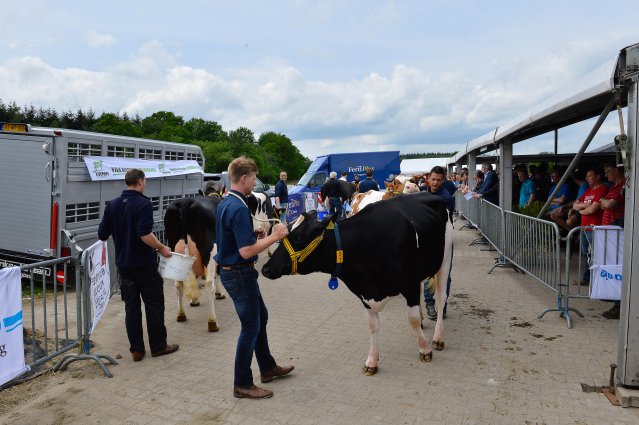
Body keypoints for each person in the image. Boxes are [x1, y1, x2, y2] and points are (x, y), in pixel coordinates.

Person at [214, 156, 293, 399]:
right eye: (255, 178)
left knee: (261, 318)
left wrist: (254, 233)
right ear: (245, 178)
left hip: (236, 271)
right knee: (250, 327)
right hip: (239, 272)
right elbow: (246, 251)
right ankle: (242, 383)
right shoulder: (238, 207)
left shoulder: (227, 202)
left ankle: (267, 367)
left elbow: (234, 239)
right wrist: (275, 236)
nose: (256, 182)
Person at [98, 169, 179, 362]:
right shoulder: (143, 204)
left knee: (131, 308)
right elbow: (144, 234)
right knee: (154, 305)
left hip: (124, 265)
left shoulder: (112, 205)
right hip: (144, 265)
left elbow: (102, 234)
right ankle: (158, 346)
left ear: (127, 182)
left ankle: (136, 350)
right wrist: (161, 248)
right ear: (141, 182)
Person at [423, 166, 454, 320]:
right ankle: (429, 303)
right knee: (428, 273)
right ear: (428, 178)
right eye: (433, 179)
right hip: (427, 241)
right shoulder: (423, 192)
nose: (435, 183)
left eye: (438, 180)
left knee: (444, 275)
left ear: (443, 180)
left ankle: (443, 305)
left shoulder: (445, 198)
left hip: (444, 241)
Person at [573, 167, 608, 287]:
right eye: (587, 176)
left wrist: (582, 209)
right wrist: (585, 205)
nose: (587, 178)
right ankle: (587, 278)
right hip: (584, 227)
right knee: (585, 254)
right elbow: (574, 205)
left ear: (598, 176)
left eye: (590, 176)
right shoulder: (588, 190)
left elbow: (592, 210)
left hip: (595, 228)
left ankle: (597, 279)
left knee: (595, 254)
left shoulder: (603, 189)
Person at [600, 164, 626, 319]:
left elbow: (609, 205)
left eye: (607, 171)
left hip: (618, 232)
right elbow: (604, 206)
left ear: (616, 170)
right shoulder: (612, 187)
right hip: (609, 231)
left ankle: (619, 304)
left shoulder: (624, 185)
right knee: (611, 266)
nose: (606, 175)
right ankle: (612, 295)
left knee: (617, 268)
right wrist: (605, 201)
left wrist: (605, 201)